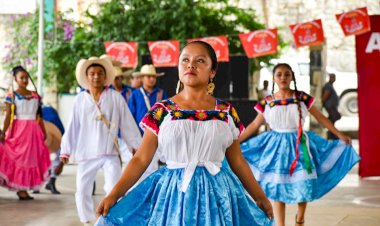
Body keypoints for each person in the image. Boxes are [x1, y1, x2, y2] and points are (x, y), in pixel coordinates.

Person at [95, 40, 274, 226]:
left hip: (218, 196)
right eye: (185, 60)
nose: (191, 65)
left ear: (213, 71)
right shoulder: (162, 110)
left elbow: (237, 161)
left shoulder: (226, 112)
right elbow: (141, 159)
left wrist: (260, 197)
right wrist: (115, 194)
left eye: (200, 61)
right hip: (173, 195)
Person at [238, 63, 360, 226]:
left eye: (287, 74)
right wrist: (235, 142)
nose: (283, 78)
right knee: (278, 188)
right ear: (274, 78)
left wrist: (339, 134)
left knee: (303, 184)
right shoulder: (268, 102)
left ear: (292, 77)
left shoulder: (302, 98)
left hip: (300, 146)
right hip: (276, 149)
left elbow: (321, 118)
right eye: (279, 74)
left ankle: (300, 219)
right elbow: (254, 125)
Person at [60, 56, 142, 226]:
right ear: (86, 77)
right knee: (82, 189)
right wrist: (66, 150)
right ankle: (86, 220)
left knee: (113, 187)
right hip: (86, 152)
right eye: (92, 74)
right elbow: (72, 127)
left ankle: (108, 218)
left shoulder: (115, 97)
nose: (96, 77)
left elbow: (127, 122)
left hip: (109, 152)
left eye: (99, 73)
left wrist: (136, 145)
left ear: (106, 77)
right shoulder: (80, 100)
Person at [0, 65, 51, 200]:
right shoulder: (12, 96)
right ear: (15, 80)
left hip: (34, 131)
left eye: (26, 77)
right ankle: (20, 189)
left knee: (31, 159)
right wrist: (3, 133)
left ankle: (24, 189)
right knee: (20, 158)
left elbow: (39, 116)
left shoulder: (35, 96)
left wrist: (43, 131)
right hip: (19, 130)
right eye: (21, 77)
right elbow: (8, 116)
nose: (25, 80)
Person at [128, 64, 168, 134]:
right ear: (142, 78)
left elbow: (166, 113)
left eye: (154, 77)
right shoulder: (135, 94)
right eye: (149, 76)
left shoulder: (161, 93)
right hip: (139, 134)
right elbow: (130, 116)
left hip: (158, 133)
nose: (152, 79)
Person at [42, 105, 66, 194]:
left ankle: (51, 181)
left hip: (56, 135)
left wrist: (61, 164)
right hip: (42, 135)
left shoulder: (52, 118)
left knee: (60, 155)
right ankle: (38, 185)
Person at [322, 73, 341, 139]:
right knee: (335, 116)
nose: (333, 79)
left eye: (334, 77)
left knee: (333, 118)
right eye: (332, 77)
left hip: (332, 105)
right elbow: (326, 95)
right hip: (330, 106)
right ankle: (329, 129)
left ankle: (331, 132)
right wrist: (323, 102)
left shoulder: (330, 85)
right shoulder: (328, 86)